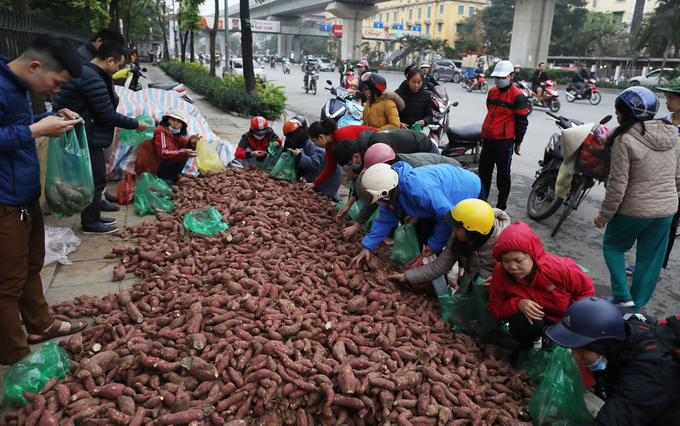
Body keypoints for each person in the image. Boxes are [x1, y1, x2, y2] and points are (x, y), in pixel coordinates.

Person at [0, 33, 87, 365]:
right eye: (56, 82)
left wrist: (44, 121)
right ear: (35, 65)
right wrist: (35, 131)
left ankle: (39, 325)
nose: (55, 90)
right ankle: (17, 359)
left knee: (31, 264)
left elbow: (13, 127)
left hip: (22, 195)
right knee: (6, 284)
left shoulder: (18, 85)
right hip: (4, 200)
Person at [593, 87, 680, 311]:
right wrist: (666, 200)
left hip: (633, 211)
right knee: (650, 261)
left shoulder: (624, 139)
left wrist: (604, 216)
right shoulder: (672, 133)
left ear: (628, 113)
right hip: (665, 212)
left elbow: (617, 185)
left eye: (618, 111)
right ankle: (636, 307)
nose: (617, 115)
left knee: (613, 246)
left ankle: (622, 296)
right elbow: (678, 178)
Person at [53, 41, 146, 235]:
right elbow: (106, 115)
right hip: (86, 135)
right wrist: (137, 124)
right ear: (110, 60)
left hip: (85, 133)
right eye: (118, 65)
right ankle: (91, 224)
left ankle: (93, 216)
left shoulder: (89, 72)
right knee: (94, 180)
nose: (118, 69)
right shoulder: (91, 77)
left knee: (94, 179)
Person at [545, 297, 680, 425]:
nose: (575, 356)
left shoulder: (650, 370)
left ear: (604, 346)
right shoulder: (618, 330)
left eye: (581, 351)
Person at [488, 221, 594, 359]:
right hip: (536, 322)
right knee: (520, 322)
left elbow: (586, 293)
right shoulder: (500, 272)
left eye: (518, 260)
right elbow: (495, 306)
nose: (512, 267)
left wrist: (569, 321)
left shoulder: (560, 269)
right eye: (505, 260)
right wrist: (517, 304)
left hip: (564, 321)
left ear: (532, 255)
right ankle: (529, 346)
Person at [350, 162, 483, 266]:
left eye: (377, 201)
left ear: (386, 193)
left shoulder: (420, 190)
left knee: (465, 243)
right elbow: (385, 220)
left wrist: (434, 245)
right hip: (442, 198)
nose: (377, 204)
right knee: (425, 234)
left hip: (468, 191)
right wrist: (367, 246)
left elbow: (446, 216)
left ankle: (460, 277)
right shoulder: (394, 188)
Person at [340, 143, 463, 240]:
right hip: (434, 192)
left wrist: (434, 245)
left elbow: (441, 208)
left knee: (441, 227)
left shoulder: (416, 177)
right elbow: (376, 200)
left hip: (455, 183)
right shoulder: (393, 178)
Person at [389, 199, 511, 293]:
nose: (453, 230)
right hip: (469, 286)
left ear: (472, 231)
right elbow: (438, 266)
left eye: (458, 228)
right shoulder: (458, 238)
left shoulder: (504, 243)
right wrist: (405, 276)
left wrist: (498, 284)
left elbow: (518, 277)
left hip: (497, 293)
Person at [479, 60, 529, 210]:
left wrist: (518, 143)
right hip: (488, 141)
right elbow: (489, 110)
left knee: (503, 176)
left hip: (504, 143)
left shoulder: (518, 96)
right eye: (497, 77)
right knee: (483, 175)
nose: (499, 80)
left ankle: (501, 208)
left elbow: (522, 123)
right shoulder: (492, 92)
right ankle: (481, 204)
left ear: (511, 76)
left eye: (503, 77)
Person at [304, 119, 375, 191]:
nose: (315, 145)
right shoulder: (329, 145)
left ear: (321, 137)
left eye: (314, 141)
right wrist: (314, 184)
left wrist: (355, 171)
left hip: (375, 151)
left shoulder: (343, 138)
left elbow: (357, 157)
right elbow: (331, 167)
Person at [282, 116, 341, 201]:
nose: (290, 139)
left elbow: (315, 163)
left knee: (327, 197)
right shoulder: (302, 141)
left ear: (299, 131)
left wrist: (299, 156)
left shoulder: (313, 142)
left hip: (326, 176)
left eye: (292, 136)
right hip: (318, 177)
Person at [135, 109, 199, 183]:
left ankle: (171, 177)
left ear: (182, 125)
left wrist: (191, 142)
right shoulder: (161, 133)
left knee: (184, 150)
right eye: (173, 120)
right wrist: (184, 152)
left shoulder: (175, 135)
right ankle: (166, 180)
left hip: (159, 165)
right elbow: (163, 153)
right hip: (150, 169)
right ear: (167, 120)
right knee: (183, 152)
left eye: (179, 122)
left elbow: (185, 144)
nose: (175, 123)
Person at [658, 79, 680, 268]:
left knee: (670, 226)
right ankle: (650, 263)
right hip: (662, 180)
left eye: (671, 98)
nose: (667, 101)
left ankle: (658, 266)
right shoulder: (666, 120)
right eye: (667, 97)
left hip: (677, 186)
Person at [334, 128, 437, 167]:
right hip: (414, 150)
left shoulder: (377, 148)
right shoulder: (365, 146)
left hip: (426, 149)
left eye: (349, 164)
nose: (352, 166)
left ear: (355, 156)